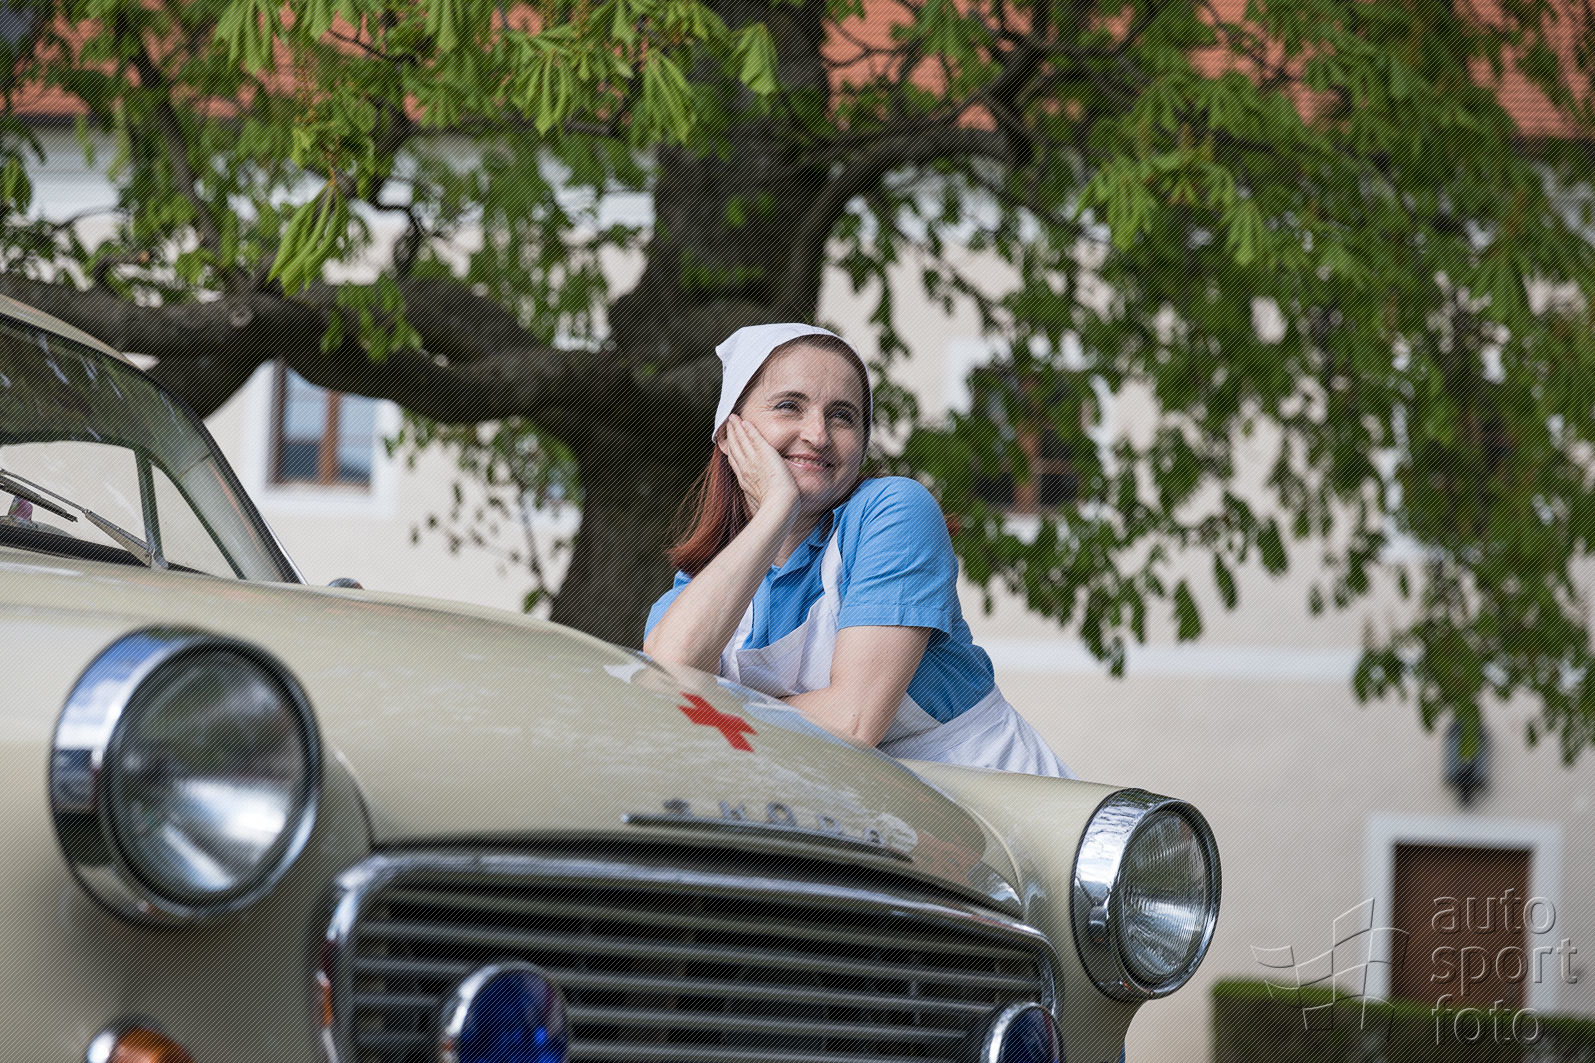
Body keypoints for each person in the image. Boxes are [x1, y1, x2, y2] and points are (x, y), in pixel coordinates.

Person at [643, 322, 1072, 777]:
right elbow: (668, 681)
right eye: (789, 406)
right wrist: (775, 512)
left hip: (990, 792)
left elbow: (854, 721)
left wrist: (714, 714)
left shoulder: (894, 512)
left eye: (842, 416)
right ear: (731, 435)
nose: (818, 435)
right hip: (859, 800)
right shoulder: (706, 581)